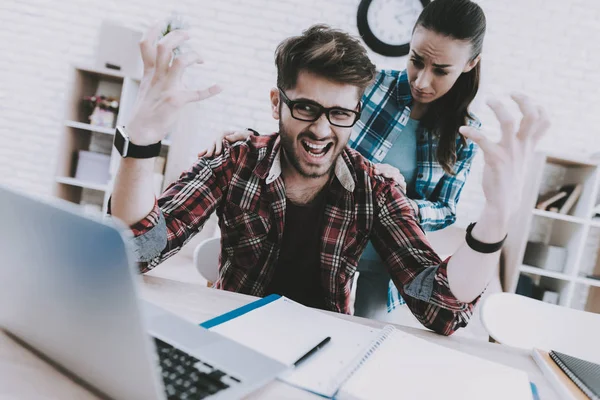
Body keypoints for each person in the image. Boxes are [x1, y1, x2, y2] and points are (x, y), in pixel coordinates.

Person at [110, 23, 549, 336]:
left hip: (324, 349)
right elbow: (135, 251)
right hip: (230, 334)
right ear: (275, 103)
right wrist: (142, 141)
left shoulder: (375, 188)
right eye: (305, 108)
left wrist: (495, 220)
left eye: (339, 114)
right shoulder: (236, 159)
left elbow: (442, 311)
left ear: (356, 114)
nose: (321, 130)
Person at [202, 0, 488, 321]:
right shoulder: (372, 85)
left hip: (386, 256)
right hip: (327, 238)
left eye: (440, 70)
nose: (421, 81)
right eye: (416, 61)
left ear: (469, 64)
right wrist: (251, 141)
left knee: (364, 337)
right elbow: (307, 131)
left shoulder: (467, 133)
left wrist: (396, 199)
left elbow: (447, 210)